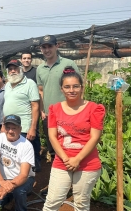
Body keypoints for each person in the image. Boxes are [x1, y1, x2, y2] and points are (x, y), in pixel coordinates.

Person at [43, 67, 104, 211]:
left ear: (82, 88)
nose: (72, 90)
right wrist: (65, 158)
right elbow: (52, 136)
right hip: (61, 160)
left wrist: (77, 159)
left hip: (87, 163)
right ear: (62, 89)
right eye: (67, 87)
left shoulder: (94, 109)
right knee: (52, 202)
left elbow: (95, 137)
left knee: (81, 204)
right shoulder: (55, 109)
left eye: (76, 86)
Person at [36, 35, 79, 162]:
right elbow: (41, 90)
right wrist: (42, 110)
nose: (47, 50)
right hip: (49, 114)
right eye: (44, 47)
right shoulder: (40, 68)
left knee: (69, 143)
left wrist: (76, 108)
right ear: (41, 49)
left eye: (50, 46)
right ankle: (57, 172)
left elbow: (78, 87)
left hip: (67, 112)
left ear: (56, 46)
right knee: (52, 145)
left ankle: (71, 171)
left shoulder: (68, 64)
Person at [0, 114, 35, 211]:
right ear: (3, 127)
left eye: (14, 128)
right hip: (3, 180)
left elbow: (23, 175)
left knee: (18, 192)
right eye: (8, 127)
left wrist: (6, 187)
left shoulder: (26, 146)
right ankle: (9, 198)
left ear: (20, 129)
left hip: (24, 180)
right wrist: (2, 182)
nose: (10, 131)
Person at [3, 59, 41, 172]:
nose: (13, 71)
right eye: (10, 69)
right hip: (9, 127)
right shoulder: (7, 85)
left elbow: (35, 106)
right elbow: (6, 106)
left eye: (15, 68)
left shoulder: (30, 84)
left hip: (24, 128)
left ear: (21, 69)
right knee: (15, 157)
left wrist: (33, 128)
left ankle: (32, 184)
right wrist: (3, 125)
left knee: (29, 159)